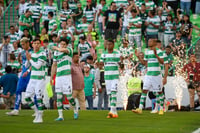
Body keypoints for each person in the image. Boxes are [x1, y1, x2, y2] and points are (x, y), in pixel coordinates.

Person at [132, 39, 165, 115]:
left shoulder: (159, 51)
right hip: (148, 74)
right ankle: (140, 108)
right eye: (148, 41)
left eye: (150, 41)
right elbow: (145, 63)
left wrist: (156, 55)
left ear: (154, 43)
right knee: (144, 90)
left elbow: (162, 62)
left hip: (156, 74)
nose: (148, 42)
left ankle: (161, 109)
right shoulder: (147, 52)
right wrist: (139, 57)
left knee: (159, 92)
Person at [51, 38, 79, 121]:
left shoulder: (69, 50)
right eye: (61, 44)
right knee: (59, 96)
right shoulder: (56, 53)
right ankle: (60, 116)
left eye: (64, 44)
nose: (62, 45)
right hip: (58, 76)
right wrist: (52, 77)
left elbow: (63, 50)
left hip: (66, 76)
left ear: (66, 45)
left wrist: (57, 48)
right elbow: (54, 65)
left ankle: (75, 109)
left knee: (69, 97)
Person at [6, 37, 32, 116]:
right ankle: (16, 109)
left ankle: (37, 108)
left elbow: (32, 64)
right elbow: (22, 61)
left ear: (28, 43)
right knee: (18, 90)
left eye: (23, 44)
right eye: (21, 45)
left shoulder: (32, 52)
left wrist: (28, 71)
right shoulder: (23, 52)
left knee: (32, 93)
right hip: (23, 75)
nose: (22, 46)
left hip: (30, 75)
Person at [24, 39, 46, 123]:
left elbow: (37, 66)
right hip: (33, 78)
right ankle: (37, 112)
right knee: (27, 97)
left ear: (40, 45)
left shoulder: (42, 54)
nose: (36, 45)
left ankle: (40, 117)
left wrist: (30, 59)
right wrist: (27, 58)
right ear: (32, 45)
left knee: (39, 97)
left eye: (38, 43)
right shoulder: (32, 54)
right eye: (35, 43)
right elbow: (26, 65)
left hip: (40, 78)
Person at [100, 39, 121, 118]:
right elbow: (101, 65)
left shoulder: (117, 54)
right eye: (107, 44)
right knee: (110, 95)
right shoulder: (103, 54)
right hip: (107, 76)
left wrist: (121, 62)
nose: (109, 46)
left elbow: (121, 65)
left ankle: (111, 111)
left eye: (110, 44)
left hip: (114, 76)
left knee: (113, 92)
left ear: (113, 45)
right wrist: (99, 63)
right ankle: (115, 112)